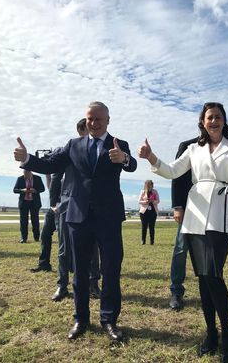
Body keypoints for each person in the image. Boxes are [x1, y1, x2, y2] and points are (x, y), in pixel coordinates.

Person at [138, 102, 228, 363]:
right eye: (209, 117)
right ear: (202, 122)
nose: (213, 121)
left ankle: (227, 335)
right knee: (203, 278)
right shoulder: (194, 148)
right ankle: (210, 334)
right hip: (195, 215)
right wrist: (150, 157)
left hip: (222, 214)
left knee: (214, 274)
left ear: (224, 121)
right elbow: (172, 171)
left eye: (218, 117)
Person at [14, 101, 137, 342]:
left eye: (98, 119)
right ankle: (81, 318)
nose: (93, 123)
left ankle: (109, 320)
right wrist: (27, 158)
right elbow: (49, 164)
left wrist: (123, 158)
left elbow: (131, 165)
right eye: (90, 118)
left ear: (108, 120)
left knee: (111, 269)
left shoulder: (119, 145)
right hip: (78, 217)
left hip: (108, 217)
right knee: (79, 270)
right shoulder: (73, 145)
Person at [50, 119, 101, 301]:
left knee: (93, 248)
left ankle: (93, 284)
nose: (90, 131)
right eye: (86, 128)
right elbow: (56, 176)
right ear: (80, 130)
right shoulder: (69, 148)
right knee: (64, 248)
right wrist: (54, 202)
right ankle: (62, 285)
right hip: (67, 204)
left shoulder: (99, 150)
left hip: (92, 206)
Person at [169, 137, 198, 311]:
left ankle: (210, 291)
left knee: (210, 252)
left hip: (213, 208)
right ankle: (176, 291)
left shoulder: (222, 146)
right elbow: (176, 176)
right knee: (181, 249)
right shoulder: (187, 145)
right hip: (188, 207)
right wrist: (178, 206)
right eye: (208, 117)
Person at [30, 173, 56, 271]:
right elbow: (51, 189)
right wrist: (47, 174)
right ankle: (44, 264)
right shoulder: (57, 172)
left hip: (67, 206)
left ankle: (71, 266)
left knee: (66, 239)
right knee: (44, 235)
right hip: (54, 207)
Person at [13, 170, 45, 243]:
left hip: (34, 203)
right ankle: (23, 238)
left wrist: (35, 191)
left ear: (30, 172)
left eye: (26, 173)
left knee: (35, 221)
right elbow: (15, 190)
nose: (24, 175)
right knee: (23, 221)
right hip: (24, 203)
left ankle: (37, 238)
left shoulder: (38, 178)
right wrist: (22, 190)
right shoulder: (20, 179)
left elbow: (42, 189)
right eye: (23, 173)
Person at [138, 180, 159, 245]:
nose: (150, 185)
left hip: (153, 212)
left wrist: (152, 201)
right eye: (148, 184)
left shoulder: (155, 191)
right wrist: (146, 202)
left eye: (151, 184)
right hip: (144, 212)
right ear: (145, 185)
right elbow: (139, 201)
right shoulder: (142, 191)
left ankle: (151, 241)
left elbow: (158, 201)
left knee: (152, 227)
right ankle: (143, 241)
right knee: (144, 227)